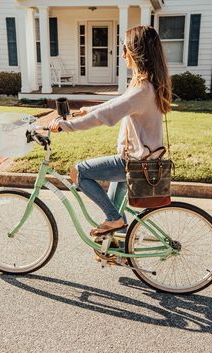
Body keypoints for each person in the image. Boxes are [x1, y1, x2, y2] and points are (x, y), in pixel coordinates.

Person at [49, 25, 172, 236]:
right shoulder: (147, 84)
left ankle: (114, 220)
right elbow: (117, 104)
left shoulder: (142, 90)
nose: (122, 54)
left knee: (78, 172)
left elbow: (104, 117)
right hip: (140, 161)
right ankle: (120, 250)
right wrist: (89, 109)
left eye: (125, 48)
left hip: (131, 163)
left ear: (136, 52)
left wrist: (65, 125)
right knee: (117, 214)